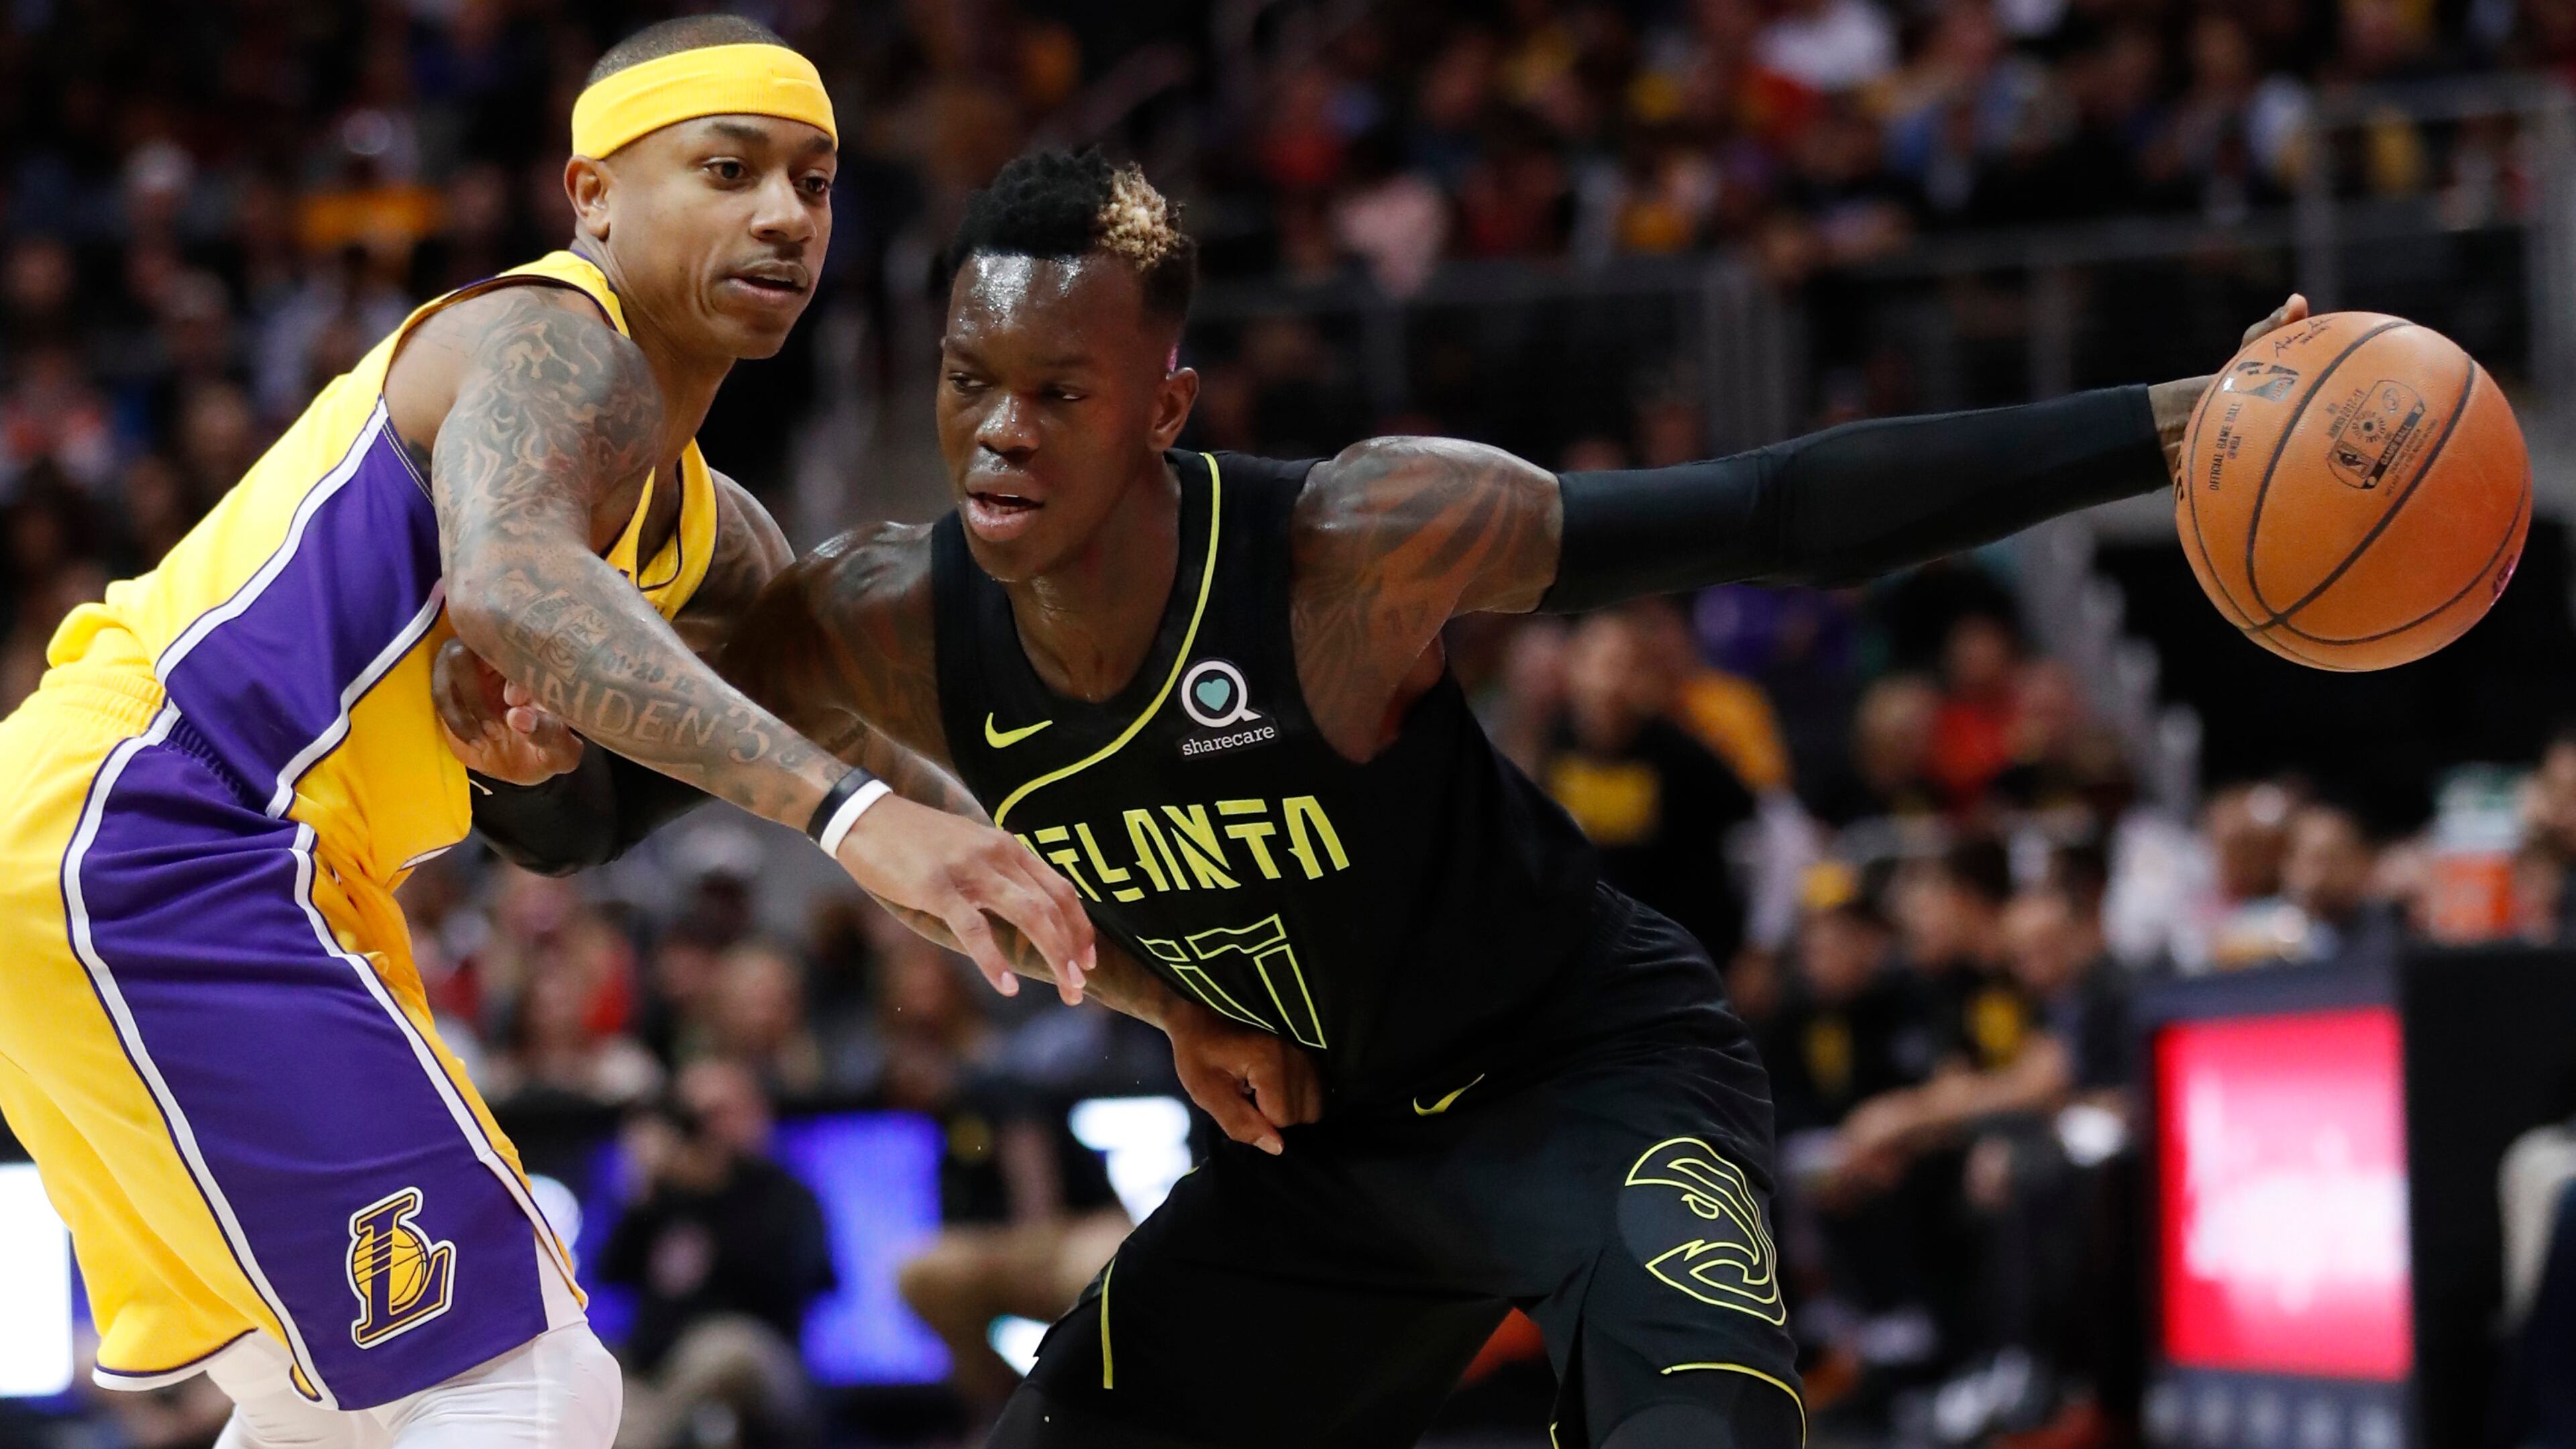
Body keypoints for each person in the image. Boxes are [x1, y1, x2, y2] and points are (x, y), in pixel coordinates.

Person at [457, 150, 2302, 1448]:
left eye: (1059, 390)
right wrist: (518, 756)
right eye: (966, 382)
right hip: (1324, 1155)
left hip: (1581, 1081)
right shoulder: (884, 614)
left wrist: (2163, 421)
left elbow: (1772, 510)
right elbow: (600, 811)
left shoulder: (1357, 541)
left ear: (1164, 405)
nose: (999, 430)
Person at [0, 19, 1100, 1449]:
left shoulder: (702, 522)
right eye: (729, 168)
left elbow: (879, 766)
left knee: (327, 1407)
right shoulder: (550, 339)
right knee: (526, 1377)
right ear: (592, 197)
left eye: (817, 184)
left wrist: (1162, 998)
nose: (784, 214)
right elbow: (521, 582)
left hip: (192, 866)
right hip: (166, 828)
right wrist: (846, 819)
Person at [596, 1061, 834, 1449]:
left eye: (717, 1114)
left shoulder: (786, 1194)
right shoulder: (665, 1197)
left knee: (722, 1349)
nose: (706, 1132)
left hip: (765, 1359)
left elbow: (802, 1280)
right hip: (658, 1364)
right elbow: (612, 1272)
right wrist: (642, 1195)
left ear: (755, 1112)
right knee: (591, 1365)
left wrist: (718, 1194)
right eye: (691, 1118)